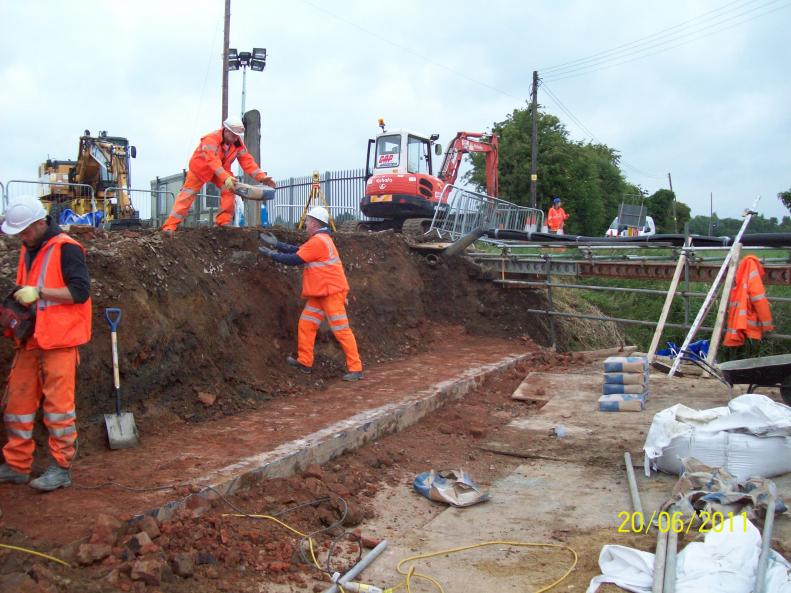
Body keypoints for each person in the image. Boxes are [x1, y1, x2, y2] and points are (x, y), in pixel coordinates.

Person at [0, 196, 91, 491]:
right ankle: (16, 464)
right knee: (18, 404)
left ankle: (61, 467)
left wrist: (39, 292)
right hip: (31, 339)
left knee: (58, 409)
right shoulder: (29, 248)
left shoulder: (66, 249)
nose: (22, 238)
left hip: (59, 341)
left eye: (25, 232)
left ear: (41, 223)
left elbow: (80, 292)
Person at [258, 207, 363, 381]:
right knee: (306, 325)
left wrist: (272, 254)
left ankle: (356, 368)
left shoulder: (319, 241)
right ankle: (305, 362)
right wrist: (278, 245)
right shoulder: (319, 239)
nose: (305, 224)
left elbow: (295, 259)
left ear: (314, 223)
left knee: (341, 331)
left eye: (307, 221)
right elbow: (298, 250)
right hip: (320, 294)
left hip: (331, 293)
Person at [162, 116, 276, 234]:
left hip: (221, 171)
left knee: (230, 189)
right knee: (187, 195)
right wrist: (226, 177)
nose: (235, 138)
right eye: (233, 135)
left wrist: (261, 177)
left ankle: (223, 223)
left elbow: (247, 161)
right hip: (200, 169)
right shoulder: (211, 139)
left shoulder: (237, 143)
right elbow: (212, 161)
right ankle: (169, 226)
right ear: (225, 130)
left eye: (237, 135)